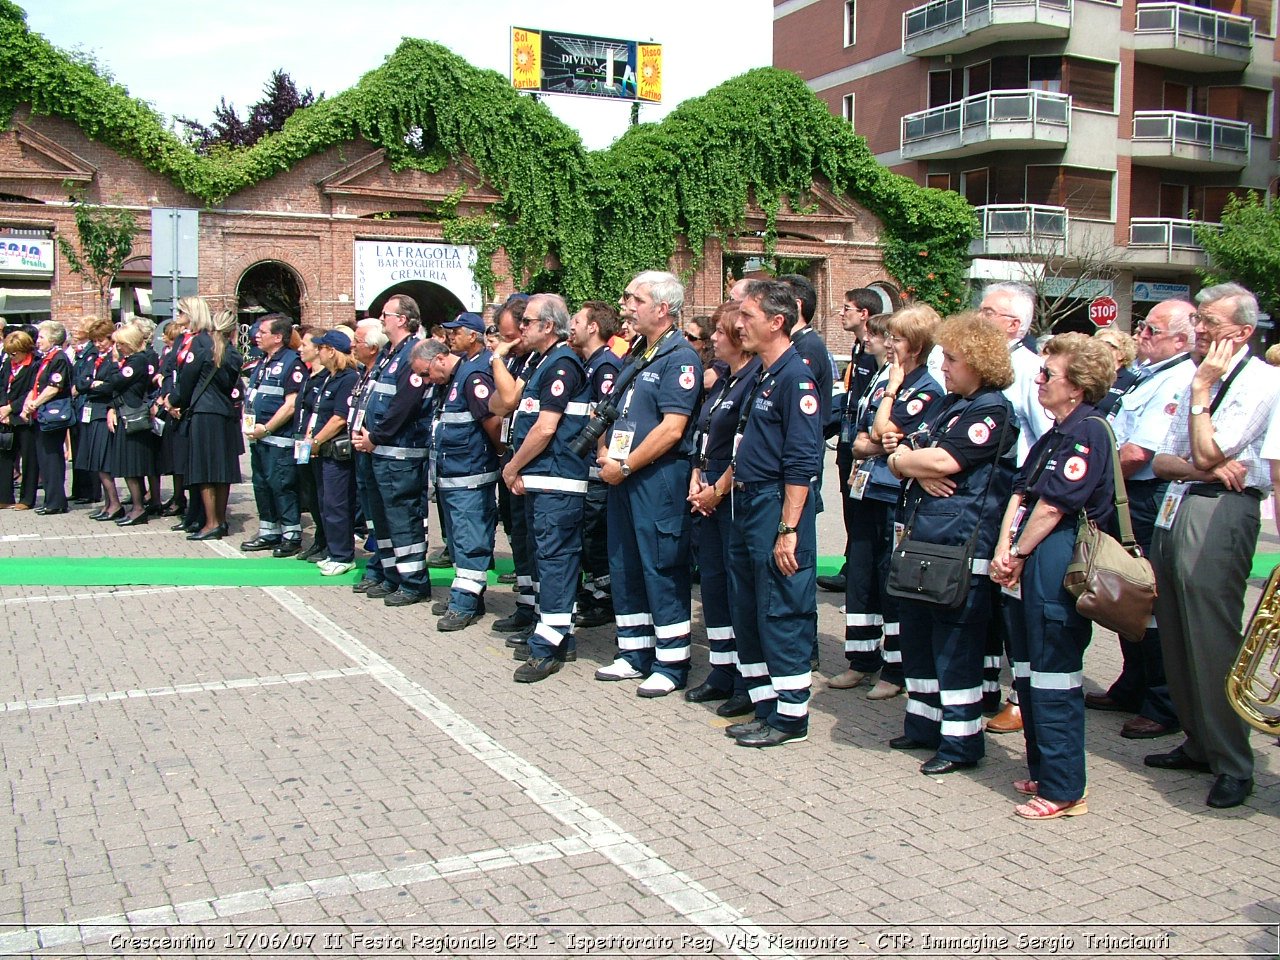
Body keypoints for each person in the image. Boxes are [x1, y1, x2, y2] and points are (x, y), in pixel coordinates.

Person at [1148, 283, 1280, 809]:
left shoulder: (1261, 381)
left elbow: (1211, 450)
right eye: (1198, 321)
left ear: (1243, 333)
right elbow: (1168, 459)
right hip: (1179, 501)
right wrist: (1201, 459)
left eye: (1211, 323)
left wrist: (1202, 393)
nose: (1200, 330)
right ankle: (1198, 741)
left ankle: (1233, 761)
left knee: (1211, 636)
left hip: (1222, 511)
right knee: (1176, 632)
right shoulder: (1196, 374)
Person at [990, 332, 1116, 820]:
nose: (1039, 381)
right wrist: (1005, 549)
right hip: (1027, 557)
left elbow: (1055, 506)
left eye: (1049, 375)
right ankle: (1044, 770)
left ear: (1078, 387)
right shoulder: (1053, 433)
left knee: (1055, 675)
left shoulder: (1087, 431)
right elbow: (1020, 495)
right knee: (1027, 673)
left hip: (1055, 558)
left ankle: (1065, 788)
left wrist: (1017, 552)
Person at [886, 312, 1017, 775]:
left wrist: (913, 464)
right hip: (926, 535)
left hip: (961, 543)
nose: (945, 367)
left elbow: (942, 458)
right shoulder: (950, 405)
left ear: (979, 363)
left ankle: (961, 742)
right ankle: (923, 724)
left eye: (954, 360)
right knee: (919, 637)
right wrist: (911, 464)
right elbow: (900, 445)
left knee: (955, 646)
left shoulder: (992, 409)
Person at [718, 279, 823, 747]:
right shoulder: (763, 373)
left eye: (748, 317)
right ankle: (765, 705)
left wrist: (788, 527)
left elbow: (803, 461)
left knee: (781, 606)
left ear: (776, 322)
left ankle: (791, 718)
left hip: (774, 504)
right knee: (749, 606)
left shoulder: (795, 378)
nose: (739, 324)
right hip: (746, 500)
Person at [1087, 299, 1195, 739]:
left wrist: (1097, 480)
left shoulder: (1178, 378)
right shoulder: (1151, 376)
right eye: (1144, 329)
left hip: (1145, 497)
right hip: (1127, 494)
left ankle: (1162, 701)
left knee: (1146, 598)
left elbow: (1136, 453)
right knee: (1126, 596)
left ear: (1180, 339)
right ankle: (1132, 684)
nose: (1141, 336)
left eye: (1151, 330)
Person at [595, 271, 702, 697]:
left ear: (662, 308)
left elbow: (672, 429)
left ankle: (671, 661)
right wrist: (607, 454)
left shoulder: (680, 356)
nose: (625, 307)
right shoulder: (641, 351)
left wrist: (625, 465)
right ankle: (634, 651)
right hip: (623, 475)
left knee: (660, 565)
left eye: (634, 299)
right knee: (625, 563)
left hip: (657, 478)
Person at [833, 306, 944, 699]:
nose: (888, 343)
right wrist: (872, 443)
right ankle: (861, 659)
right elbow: (863, 438)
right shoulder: (883, 375)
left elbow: (882, 431)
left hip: (894, 495)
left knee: (889, 577)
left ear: (914, 345)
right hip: (866, 487)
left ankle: (894, 668)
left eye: (896, 338)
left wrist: (890, 400)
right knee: (861, 572)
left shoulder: (925, 388)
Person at [494, 294, 592, 681]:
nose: (521, 328)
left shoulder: (562, 363)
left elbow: (546, 427)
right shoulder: (543, 362)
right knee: (546, 561)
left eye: (529, 321)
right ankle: (553, 634)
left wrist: (512, 467)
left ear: (548, 326)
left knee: (554, 563)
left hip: (558, 482)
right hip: (543, 481)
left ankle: (546, 648)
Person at [980, 281, 1053, 734]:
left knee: (1014, 600)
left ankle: (1019, 699)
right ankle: (988, 683)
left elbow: (1044, 439)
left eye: (988, 312)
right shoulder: (990, 364)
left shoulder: (1029, 369)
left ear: (1013, 324)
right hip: (988, 497)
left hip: (1018, 495)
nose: (978, 316)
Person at [685, 300, 760, 717]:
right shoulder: (727, 380)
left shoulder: (752, 380)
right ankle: (721, 670)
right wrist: (697, 475)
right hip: (707, 491)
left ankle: (747, 681)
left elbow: (745, 446)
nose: (713, 339)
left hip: (729, 496)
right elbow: (707, 435)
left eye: (718, 331)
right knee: (712, 586)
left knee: (735, 588)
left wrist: (717, 488)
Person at [419, 312, 501, 631]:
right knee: (458, 539)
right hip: (455, 473)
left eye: (457, 332)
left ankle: (464, 604)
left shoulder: (477, 371)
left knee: (470, 540)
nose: (451, 336)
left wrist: (498, 451)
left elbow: (491, 420)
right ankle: (469, 594)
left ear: (474, 336)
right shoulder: (467, 367)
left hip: (470, 474)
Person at [351, 294, 434, 607]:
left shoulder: (413, 352)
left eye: (385, 314)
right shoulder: (389, 353)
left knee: (403, 520)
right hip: (379, 452)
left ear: (402, 319)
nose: (381, 319)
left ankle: (413, 582)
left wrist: (376, 435)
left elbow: (404, 405)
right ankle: (390, 573)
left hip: (399, 454)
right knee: (382, 520)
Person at [820, 288, 886, 594]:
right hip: (849, 441)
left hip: (864, 445)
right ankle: (852, 566)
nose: (841, 313)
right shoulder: (859, 348)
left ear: (865, 314)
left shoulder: (877, 351)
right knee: (850, 507)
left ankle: (860, 573)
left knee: (862, 513)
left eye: (847, 308)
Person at [568, 300, 622, 628]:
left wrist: (602, 458)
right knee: (587, 536)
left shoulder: (605, 366)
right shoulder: (588, 363)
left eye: (577, 320)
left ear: (593, 327)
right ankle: (592, 591)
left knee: (595, 536)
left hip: (596, 469)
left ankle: (606, 598)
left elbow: (606, 418)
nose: (570, 326)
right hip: (584, 467)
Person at [170, 306, 243, 540]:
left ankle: (210, 523)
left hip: (203, 413)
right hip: (223, 414)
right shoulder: (234, 355)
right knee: (221, 471)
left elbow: (186, 383)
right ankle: (220, 521)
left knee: (204, 471)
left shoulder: (202, 351)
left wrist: (172, 401)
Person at [240, 314, 305, 556]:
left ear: (278, 337)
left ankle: (291, 534)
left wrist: (266, 428)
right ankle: (269, 530)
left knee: (282, 485)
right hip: (259, 439)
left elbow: (291, 404)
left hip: (278, 440)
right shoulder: (263, 361)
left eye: (263, 332)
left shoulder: (291, 362)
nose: (257, 335)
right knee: (262, 485)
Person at [309, 329, 360, 577]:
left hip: (335, 451)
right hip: (323, 449)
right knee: (325, 502)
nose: (317, 351)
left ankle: (342, 554)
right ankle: (333, 550)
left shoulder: (348, 378)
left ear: (331, 350)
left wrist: (316, 440)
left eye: (321, 347)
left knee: (336, 503)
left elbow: (340, 418)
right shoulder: (330, 377)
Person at [104, 322, 160, 526]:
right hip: (123, 412)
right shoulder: (130, 360)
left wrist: (113, 363)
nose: (118, 347)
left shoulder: (137, 361)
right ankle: (136, 506)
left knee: (132, 466)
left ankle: (139, 508)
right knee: (128, 467)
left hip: (133, 415)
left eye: (120, 343)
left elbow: (115, 382)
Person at [348, 318, 390, 592]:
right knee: (372, 516)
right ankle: (377, 562)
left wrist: (371, 438)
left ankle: (383, 566)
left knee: (382, 515)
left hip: (375, 451)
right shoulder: (365, 372)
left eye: (358, 341)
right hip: (360, 452)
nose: (352, 345)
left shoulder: (382, 373)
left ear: (373, 347)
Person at [73, 317, 123, 521]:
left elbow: (112, 384)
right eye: (95, 341)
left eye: (101, 340)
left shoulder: (115, 357)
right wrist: (93, 383)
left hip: (104, 411)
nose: (98, 344)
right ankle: (108, 503)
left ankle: (115, 503)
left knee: (104, 462)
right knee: (95, 461)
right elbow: (80, 381)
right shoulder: (94, 357)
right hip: (91, 411)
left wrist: (94, 385)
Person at [23, 320, 73, 515]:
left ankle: (55, 501)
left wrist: (36, 402)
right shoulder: (46, 358)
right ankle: (53, 499)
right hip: (40, 413)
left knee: (51, 457)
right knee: (45, 458)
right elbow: (37, 385)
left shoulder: (59, 358)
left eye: (42, 337)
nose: (38, 341)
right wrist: (30, 401)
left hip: (52, 415)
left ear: (53, 339)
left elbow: (54, 387)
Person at [0, 330, 38, 510]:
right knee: (5, 456)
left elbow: (31, 391)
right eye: (9, 353)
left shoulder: (34, 364)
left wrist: (11, 408)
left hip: (24, 416)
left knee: (29, 457)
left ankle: (27, 498)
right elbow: (2, 386)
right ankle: (5, 496)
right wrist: (3, 408)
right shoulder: (8, 363)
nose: (11, 357)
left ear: (24, 350)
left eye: (14, 353)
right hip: (6, 416)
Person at [68, 317, 102, 506]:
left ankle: (91, 490)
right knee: (78, 447)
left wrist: (79, 387)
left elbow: (85, 379)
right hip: (77, 405)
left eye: (79, 326)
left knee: (87, 447)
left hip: (85, 403)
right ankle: (79, 488)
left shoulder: (92, 351)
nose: (75, 329)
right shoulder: (80, 352)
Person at [1094, 327, 1141, 418]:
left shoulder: (1131, 381)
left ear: (1121, 354)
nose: (1099, 349)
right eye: (1096, 344)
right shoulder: (1086, 378)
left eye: (1107, 345)